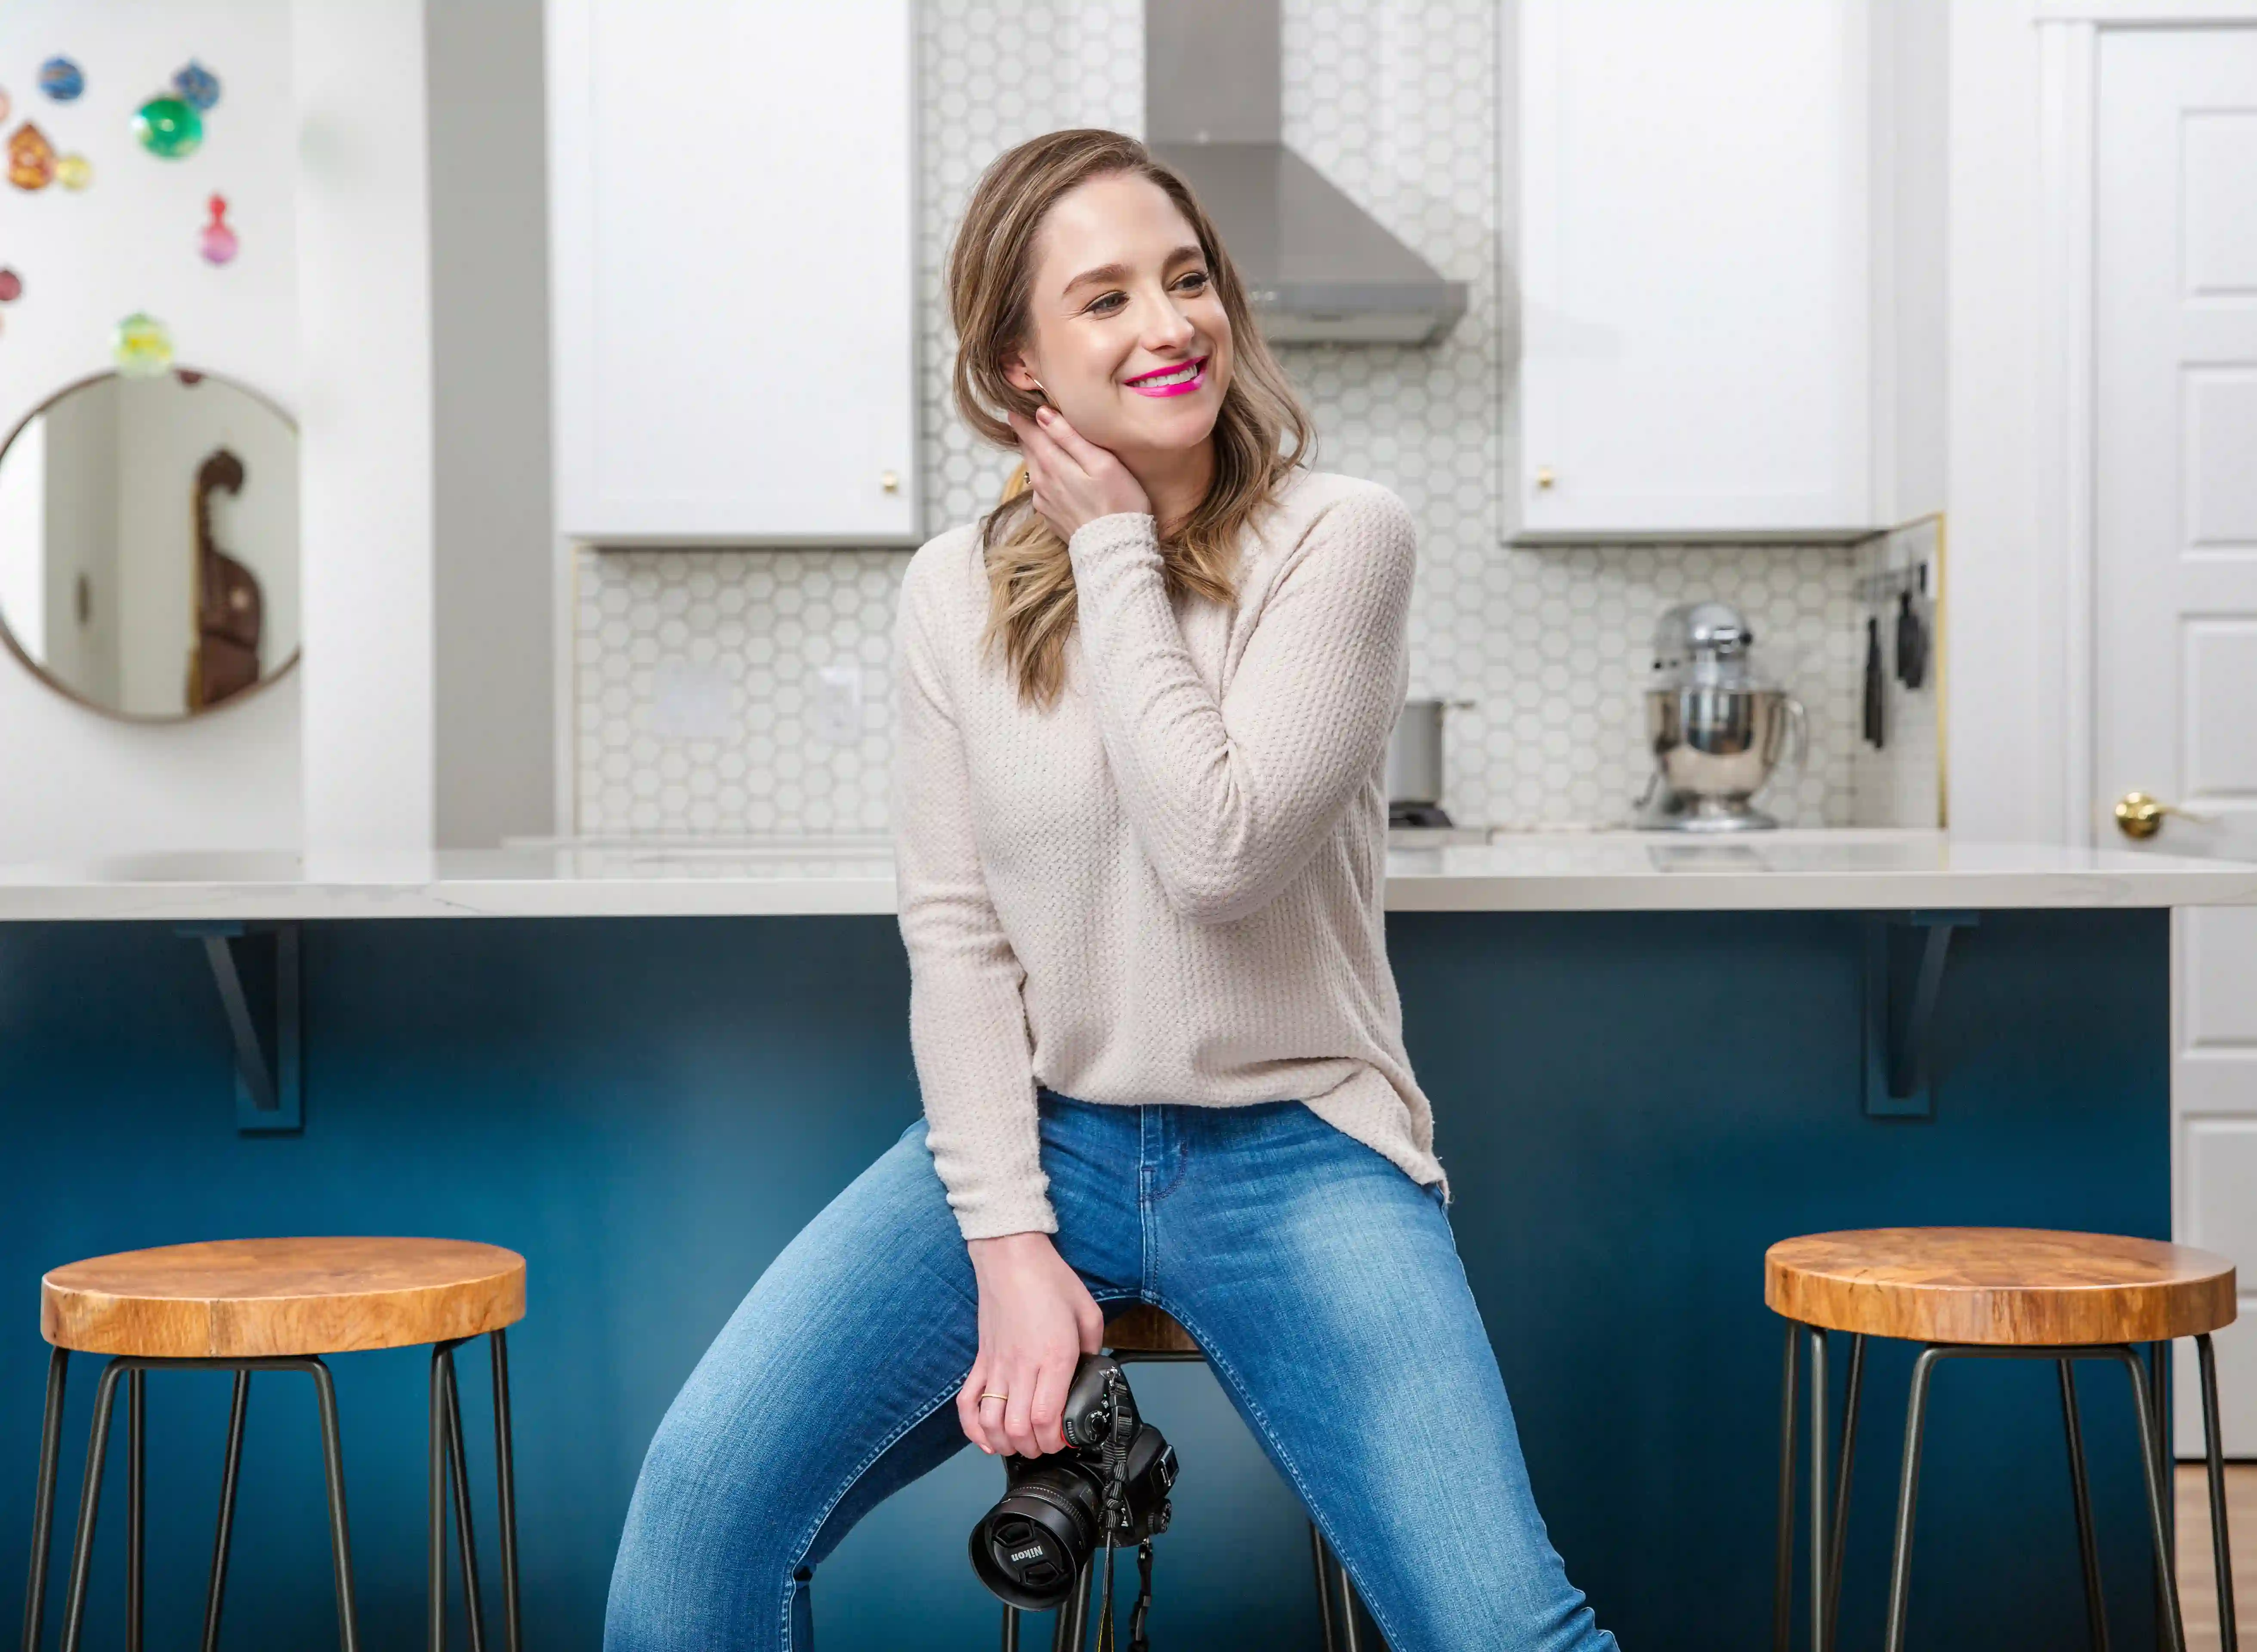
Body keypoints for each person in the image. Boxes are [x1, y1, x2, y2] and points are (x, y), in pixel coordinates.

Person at [603, 128, 1618, 1652]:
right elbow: (955, 939)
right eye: (1106, 299)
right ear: (1019, 365)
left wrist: (1115, 552)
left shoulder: (1340, 538)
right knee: (697, 1520)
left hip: (1299, 1147)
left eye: (1189, 277)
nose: (1170, 325)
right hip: (1044, 1139)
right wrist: (1010, 1246)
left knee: (1502, 1628)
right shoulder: (951, 590)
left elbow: (1217, 855)